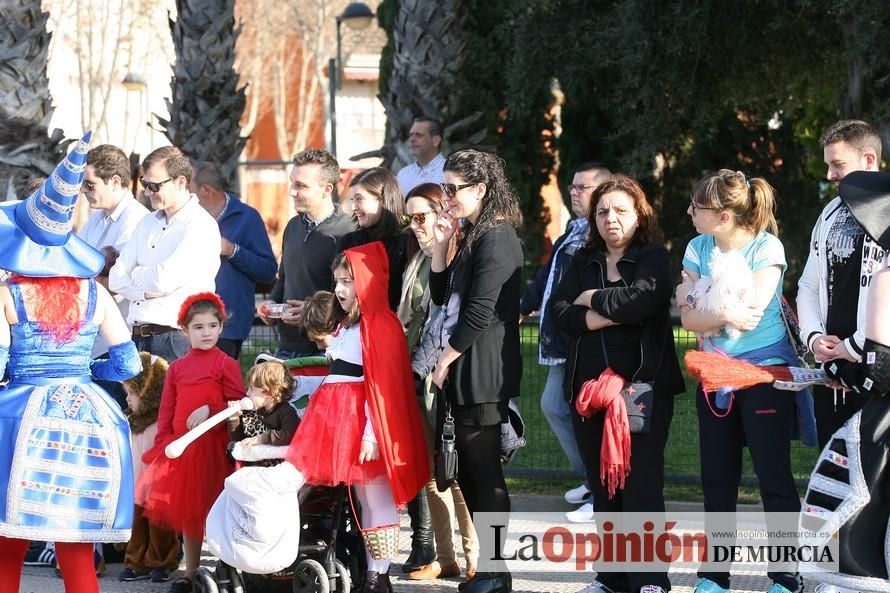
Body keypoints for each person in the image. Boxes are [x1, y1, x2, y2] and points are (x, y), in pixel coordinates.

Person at [0, 132, 142, 593]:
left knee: (8, 542)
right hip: (91, 416)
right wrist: (85, 373)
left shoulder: (8, 295)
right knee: (77, 545)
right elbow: (128, 362)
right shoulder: (95, 293)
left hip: (22, 414)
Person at [550, 174, 684, 593]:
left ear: (638, 215)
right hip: (588, 391)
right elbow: (558, 311)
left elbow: (641, 301)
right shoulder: (582, 259)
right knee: (603, 485)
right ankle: (611, 578)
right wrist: (602, 310)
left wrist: (588, 299)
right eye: (603, 211)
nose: (611, 218)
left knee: (640, 484)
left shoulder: (654, 258)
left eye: (621, 211)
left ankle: (650, 581)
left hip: (641, 389)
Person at [676, 170, 804, 593]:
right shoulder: (697, 247)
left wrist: (706, 300)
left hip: (764, 375)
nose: (690, 212)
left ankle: (786, 576)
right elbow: (690, 318)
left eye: (698, 207)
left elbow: (748, 310)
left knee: (774, 479)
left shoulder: (767, 247)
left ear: (725, 217)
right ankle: (714, 576)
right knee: (717, 478)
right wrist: (714, 308)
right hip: (714, 378)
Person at [285, 244, 429, 593]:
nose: (340, 289)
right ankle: (371, 574)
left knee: (376, 499)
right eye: (337, 281)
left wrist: (371, 435)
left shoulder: (379, 325)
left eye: (348, 281)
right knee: (363, 501)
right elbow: (338, 375)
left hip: (362, 427)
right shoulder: (350, 326)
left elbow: (380, 387)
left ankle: (379, 577)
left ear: (366, 280)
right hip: (339, 423)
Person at [429, 150, 523, 593]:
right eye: (443, 188)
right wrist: (440, 246)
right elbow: (441, 294)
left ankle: (496, 570)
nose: (446, 197)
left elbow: (481, 311)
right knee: (468, 471)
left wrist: (444, 361)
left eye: (453, 189)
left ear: (481, 190)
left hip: (483, 365)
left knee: (485, 473)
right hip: (465, 363)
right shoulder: (471, 235)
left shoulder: (497, 236)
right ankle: (488, 568)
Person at [801, 170, 890, 593]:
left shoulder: (886, 279)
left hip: (883, 418)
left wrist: (854, 367)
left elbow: (879, 359)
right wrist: (850, 361)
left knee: (868, 501)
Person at [521, 161, 612, 523]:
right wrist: (524, 307)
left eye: (582, 188)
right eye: (572, 187)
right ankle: (594, 481)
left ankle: (601, 489)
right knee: (557, 407)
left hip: (586, 342)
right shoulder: (573, 230)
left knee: (578, 414)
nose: (574, 192)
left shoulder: (600, 234)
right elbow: (547, 277)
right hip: (562, 343)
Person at [397, 183, 478, 581]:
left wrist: (424, 368)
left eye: (420, 217)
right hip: (415, 373)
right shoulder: (419, 259)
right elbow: (408, 320)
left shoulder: (453, 258)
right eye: (408, 218)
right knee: (432, 472)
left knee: (453, 469)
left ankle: (474, 557)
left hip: (442, 373)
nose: (414, 226)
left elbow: (445, 323)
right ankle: (445, 557)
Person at [139, 293, 245, 593]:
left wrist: (211, 408)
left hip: (213, 448)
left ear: (222, 327)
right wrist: (161, 445)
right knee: (190, 513)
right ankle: (191, 571)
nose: (206, 332)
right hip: (182, 449)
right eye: (198, 327)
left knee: (217, 508)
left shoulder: (226, 364)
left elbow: (237, 403)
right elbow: (167, 411)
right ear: (184, 331)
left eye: (213, 325)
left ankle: (227, 567)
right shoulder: (177, 368)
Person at [797, 119, 886, 449]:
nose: (830, 174)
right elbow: (808, 285)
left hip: (879, 375)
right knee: (833, 474)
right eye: (828, 165)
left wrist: (854, 346)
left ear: (868, 160)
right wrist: (816, 339)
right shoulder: (829, 213)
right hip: (833, 373)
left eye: (838, 164)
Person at [109, 146, 221, 363]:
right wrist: (146, 291)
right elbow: (115, 278)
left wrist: (137, 274)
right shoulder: (146, 223)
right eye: (144, 183)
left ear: (180, 182)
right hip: (138, 339)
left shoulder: (200, 225)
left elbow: (161, 280)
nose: (148, 191)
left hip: (176, 340)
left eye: (155, 185)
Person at [257, 149, 355, 359]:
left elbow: (355, 295)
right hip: (286, 346)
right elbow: (284, 278)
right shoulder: (292, 227)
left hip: (327, 348)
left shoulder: (349, 232)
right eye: (292, 183)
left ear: (327, 189)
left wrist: (314, 311)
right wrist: (271, 305)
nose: (292, 191)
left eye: (301, 186)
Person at [190, 161, 277, 360]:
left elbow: (268, 270)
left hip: (228, 326)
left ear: (205, 190)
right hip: (188, 322)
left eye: (189, 188)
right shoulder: (186, 218)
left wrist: (231, 250)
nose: (184, 194)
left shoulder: (247, 217)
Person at [119, 353, 180, 583]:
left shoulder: (162, 422)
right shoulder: (130, 422)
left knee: (160, 527)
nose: (127, 399)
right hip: (136, 485)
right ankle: (135, 562)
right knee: (136, 527)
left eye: (132, 393)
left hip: (158, 485)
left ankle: (162, 562)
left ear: (149, 393)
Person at [339, 167, 410, 311]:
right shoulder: (348, 242)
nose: (353, 207)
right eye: (353, 200)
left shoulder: (407, 242)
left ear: (383, 199)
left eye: (359, 199)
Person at [227, 360, 299, 465]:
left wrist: (261, 438)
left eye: (252, 390)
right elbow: (238, 439)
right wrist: (234, 417)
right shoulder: (252, 411)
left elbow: (288, 435)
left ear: (270, 392)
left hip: (277, 468)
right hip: (253, 467)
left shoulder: (287, 412)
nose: (247, 393)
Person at [396, 117, 446, 194]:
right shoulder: (403, 175)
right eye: (411, 135)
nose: (412, 139)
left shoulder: (450, 173)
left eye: (418, 135)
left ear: (435, 141)